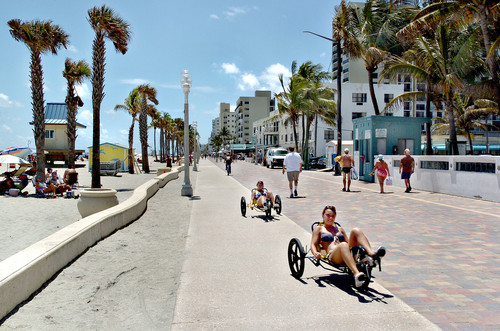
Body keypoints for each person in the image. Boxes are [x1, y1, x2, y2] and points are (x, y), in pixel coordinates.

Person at [310, 205, 386, 288]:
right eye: (328, 215)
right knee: (343, 245)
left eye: (333, 216)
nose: (330, 218)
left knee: (356, 230)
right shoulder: (319, 228)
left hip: (346, 252)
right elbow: (313, 244)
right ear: (322, 215)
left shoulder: (339, 228)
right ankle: (356, 274)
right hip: (333, 255)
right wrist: (315, 253)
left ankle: (373, 255)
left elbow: (348, 243)